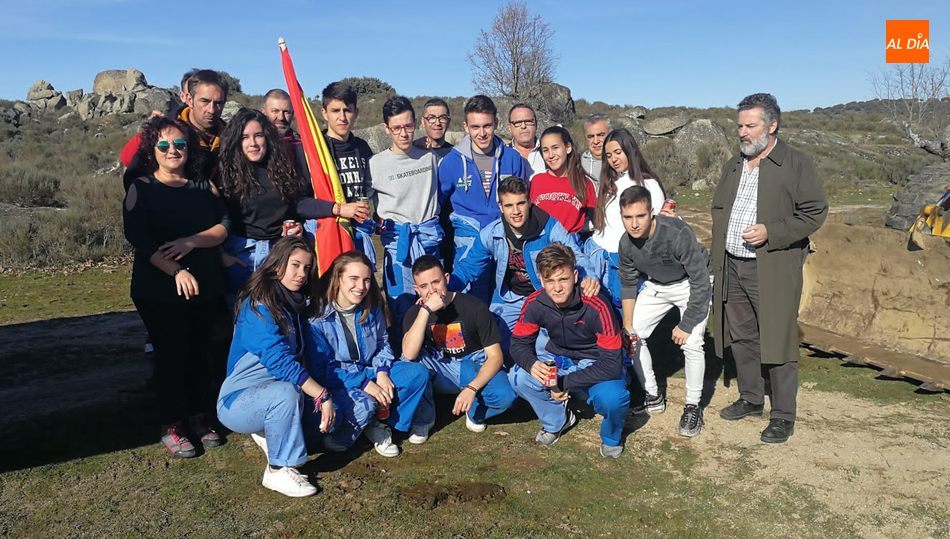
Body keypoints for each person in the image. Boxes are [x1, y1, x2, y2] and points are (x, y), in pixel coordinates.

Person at [711, 93, 828, 444]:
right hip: (733, 265)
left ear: (772, 125)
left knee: (777, 338)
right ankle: (750, 398)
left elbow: (814, 211)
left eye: (750, 125)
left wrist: (771, 232)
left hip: (772, 268)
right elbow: (719, 210)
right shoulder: (734, 164)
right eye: (740, 126)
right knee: (742, 336)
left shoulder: (794, 163)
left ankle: (782, 415)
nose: (743, 133)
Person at [123, 116, 230, 459]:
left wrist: (191, 242)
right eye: (164, 145)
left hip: (205, 285)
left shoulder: (202, 186)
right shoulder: (142, 187)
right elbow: (139, 238)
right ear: (152, 150)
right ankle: (172, 423)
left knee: (201, 353)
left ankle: (200, 416)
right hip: (159, 289)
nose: (173, 151)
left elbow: (224, 226)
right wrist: (176, 271)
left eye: (180, 145)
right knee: (172, 355)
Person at [217, 236, 333, 497]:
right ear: (277, 264)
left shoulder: (293, 304)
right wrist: (321, 394)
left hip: (275, 392)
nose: (301, 274)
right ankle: (278, 470)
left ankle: (269, 429)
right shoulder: (257, 305)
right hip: (236, 401)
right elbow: (278, 360)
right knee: (286, 393)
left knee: (321, 434)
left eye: (306, 267)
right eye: (295, 265)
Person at [216, 108, 364, 295]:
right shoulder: (225, 173)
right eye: (245, 137)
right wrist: (222, 255)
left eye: (258, 135)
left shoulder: (281, 166)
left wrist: (336, 209)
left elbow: (299, 204)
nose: (253, 143)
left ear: (267, 137)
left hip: (282, 253)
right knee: (247, 315)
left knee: (286, 313)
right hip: (244, 255)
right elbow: (214, 216)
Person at [509, 243, 629, 458]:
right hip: (559, 358)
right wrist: (531, 364)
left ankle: (612, 437)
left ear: (575, 276)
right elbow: (518, 344)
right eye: (550, 281)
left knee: (613, 398)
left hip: (595, 359)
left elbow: (612, 364)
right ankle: (557, 420)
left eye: (563, 279)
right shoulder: (534, 303)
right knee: (518, 376)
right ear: (541, 279)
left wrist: (563, 384)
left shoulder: (597, 305)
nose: (557, 288)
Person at [449, 176, 598, 350]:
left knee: (546, 345)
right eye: (509, 206)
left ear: (530, 202)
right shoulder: (492, 233)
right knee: (495, 339)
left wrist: (589, 277)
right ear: (501, 207)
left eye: (520, 203)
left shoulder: (549, 227)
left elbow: (576, 256)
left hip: (545, 295)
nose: (516, 211)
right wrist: (446, 287)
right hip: (510, 296)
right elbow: (467, 268)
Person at [307, 251, 431, 457]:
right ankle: (348, 432)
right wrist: (364, 383)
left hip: (371, 370)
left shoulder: (371, 307)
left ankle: (381, 424)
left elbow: (382, 343)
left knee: (417, 373)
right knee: (365, 404)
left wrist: (382, 372)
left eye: (366, 280)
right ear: (338, 278)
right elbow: (322, 369)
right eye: (353, 279)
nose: (361, 286)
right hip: (341, 379)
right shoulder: (317, 317)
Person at [618, 186, 710, 437]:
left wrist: (687, 324)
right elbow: (627, 284)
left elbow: (701, 282)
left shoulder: (677, 233)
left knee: (692, 343)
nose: (634, 224)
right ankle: (652, 393)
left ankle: (693, 406)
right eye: (628, 217)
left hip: (690, 283)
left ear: (652, 213)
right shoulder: (626, 243)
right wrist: (627, 324)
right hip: (657, 285)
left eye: (640, 216)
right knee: (633, 337)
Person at [402, 256, 517, 435]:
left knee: (505, 396)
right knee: (408, 362)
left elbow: (495, 356)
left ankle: (475, 410)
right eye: (424, 287)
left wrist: (472, 388)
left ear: (446, 278)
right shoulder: (416, 313)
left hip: (471, 364)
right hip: (440, 366)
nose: (432, 291)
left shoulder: (473, 306)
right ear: (416, 289)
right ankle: (425, 417)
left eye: (436, 282)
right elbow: (408, 354)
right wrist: (425, 311)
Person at [438, 95, 531, 302]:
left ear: (496, 123)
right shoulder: (451, 162)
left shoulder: (512, 158)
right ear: (465, 127)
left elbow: (522, 198)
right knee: (471, 300)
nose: (481, 133)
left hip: (504, 236)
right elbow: (439, 205)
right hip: (469, 238)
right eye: (475, 127)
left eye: (487, 126)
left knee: (504, 297)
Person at [368, 96, 443, 333]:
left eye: (408, 126)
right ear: (386, 129)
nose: (404, 133)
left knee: (437, 305)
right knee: (401, 308)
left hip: (430, 243)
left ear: (416, 124)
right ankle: (404, 360)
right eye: (397, 128)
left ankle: (439, 359)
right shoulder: (375, 164)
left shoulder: (431, 157)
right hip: (398, 248)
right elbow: (359, 203)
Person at [588, 128, 672, 308]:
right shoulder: (608, 183)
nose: (613, 159)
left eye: (618, 152)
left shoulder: (648, 184)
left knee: (622, 310)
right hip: (598, 254)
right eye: (609, 155)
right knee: (601, 311)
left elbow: (656, 228)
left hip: (623, 259)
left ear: (630, 150)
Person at [121, 69, 228, 190]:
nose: (211, 110)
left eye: (219, 103)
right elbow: (131, 172)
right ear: (189, 99)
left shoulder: (233, 137)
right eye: (204, 101)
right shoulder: (165, 133)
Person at [321, 81, 377, 266]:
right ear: (324, 113)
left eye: (347, 110)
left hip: (360, 233)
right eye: (335, 111)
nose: (342, 117)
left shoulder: (362, 147)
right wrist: (338, 208)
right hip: (329, 235)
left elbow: (373, 186)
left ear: (356, 113)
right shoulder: (316, 149)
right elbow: (301, 200)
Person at [530, 126, 597, 236]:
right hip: (540, 245)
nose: (551, 155)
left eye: (555, 148)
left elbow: (596, 222)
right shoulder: (537, 181)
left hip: (569, 247)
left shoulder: (584, 183)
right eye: (545, 150)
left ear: (568, 148)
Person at [508, 103, 545, 174]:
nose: (523, 126)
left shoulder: (549, 153)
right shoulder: (502, 155)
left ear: (536, 124)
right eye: (517, 122)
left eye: (528, 121)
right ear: (510, 128)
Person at [581, 114, 610, 192]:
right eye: (591, 136)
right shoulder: (578, 165)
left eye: (601, 135)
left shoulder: (621, 163)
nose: (596, 141)